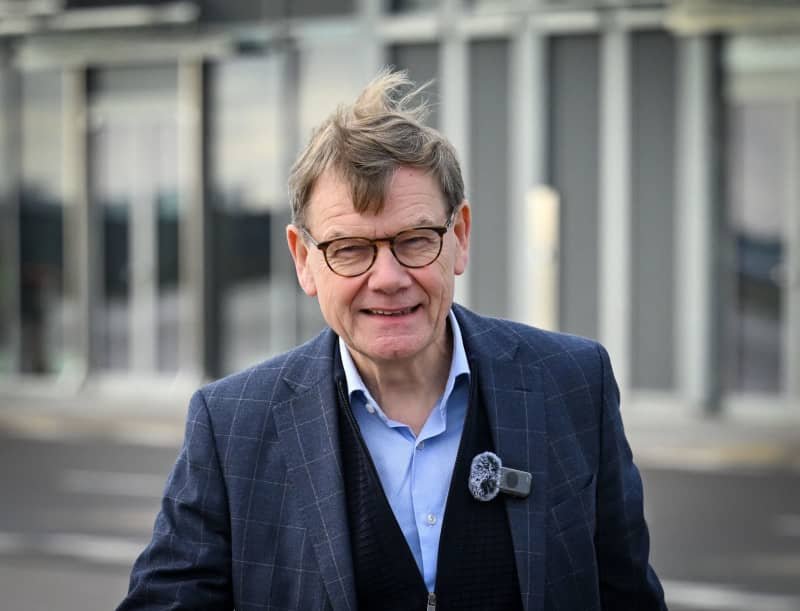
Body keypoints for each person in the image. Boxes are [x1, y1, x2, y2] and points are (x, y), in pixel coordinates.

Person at [118, 69, 667, 611]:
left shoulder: (573, 384)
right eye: (350, 249)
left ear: (459, 237)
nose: (388, 277)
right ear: (304, 259)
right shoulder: (232, 424)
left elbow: (628, 598)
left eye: (415, 240)